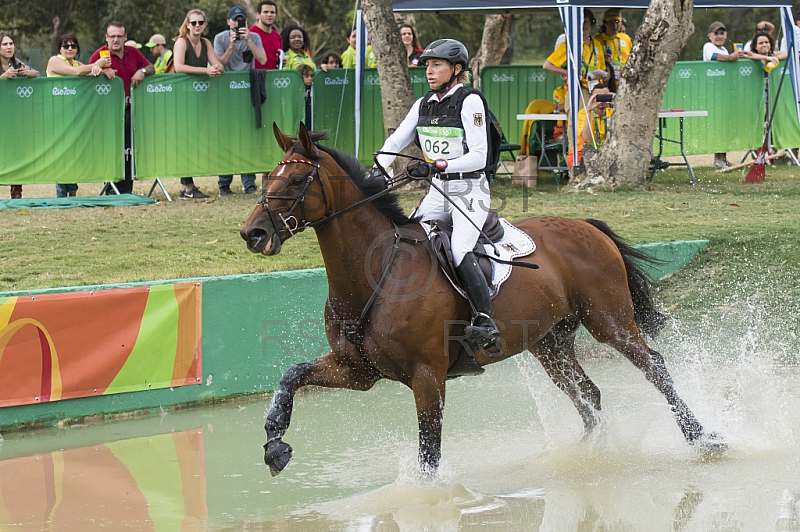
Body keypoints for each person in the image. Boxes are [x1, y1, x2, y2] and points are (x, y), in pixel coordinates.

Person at [374, 39, 500, 358]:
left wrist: (438, 164)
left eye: (437, 65)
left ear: (456, 70)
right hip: (438, 191)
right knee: (408, 238)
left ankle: (485, 321)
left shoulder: (470, 101)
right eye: (427, 65)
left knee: (459, 247)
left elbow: (480, 157)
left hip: (470, 189)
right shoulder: (423, 104)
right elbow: (395, 140)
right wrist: (379, 166)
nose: (429, 71)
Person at [91, 22, 155, 194]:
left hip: (130, 109)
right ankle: (111, 188)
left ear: (125, 37)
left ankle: (126, 190)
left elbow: (151, 67)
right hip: (108, 112)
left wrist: (142, 70)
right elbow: (89, 73)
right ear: (106, 38)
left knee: (128, 150)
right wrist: (102, 71)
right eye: (112, 36)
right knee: (111, 149)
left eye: (119, 36)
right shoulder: (100, 54)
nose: (116, 39)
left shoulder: (133, 52)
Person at [47, 34, 111, 198]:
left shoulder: (77, 63)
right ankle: (61, 194)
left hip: (75, 115)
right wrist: (96, 65)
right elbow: (75, 73)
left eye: (73, 46)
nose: (70, 49)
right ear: (59, 48)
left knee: (73, 152)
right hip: (58, 114)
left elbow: (87, 72)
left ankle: (73, 191)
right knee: (61, 153)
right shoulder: (54, 60)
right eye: (66, 46)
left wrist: (102, 71)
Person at [214, 6, 266, 196]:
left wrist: (248, 40)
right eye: (234, 20)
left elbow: (262, 58)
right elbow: (220, 63)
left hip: (247, 93)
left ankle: (249, 183)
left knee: (247, 138)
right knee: (226, 138)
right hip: (226, 95)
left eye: (241, 20)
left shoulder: (254, 37)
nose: (237, 23)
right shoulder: (220, 38)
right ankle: (224, 184)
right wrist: (232, 44)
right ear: (228, 21)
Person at [173, 9, 224, 199]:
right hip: (182, 99)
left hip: (200, 100)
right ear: (187, 24)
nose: (197, 26)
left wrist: (217, 67)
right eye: (193, 23)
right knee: (185, 140)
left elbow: (216, 64)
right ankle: (186, 187)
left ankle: (189, 185)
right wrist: (206, 70)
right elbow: (179, 67)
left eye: (200, 22)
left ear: (205, 24)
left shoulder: (206, 42)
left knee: (194, 139)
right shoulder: (181, 42)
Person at [544, 8, 608, 112]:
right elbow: (547, 65)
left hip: (596, 90)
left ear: (592, 24)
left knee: (595, 125)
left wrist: (606, 75)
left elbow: (602, 69)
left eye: (585, 21)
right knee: (578, 125)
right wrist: (570, 73)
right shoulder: (570, 44)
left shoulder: (597, 44)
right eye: (580, 21)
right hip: (578, 90)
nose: (583, 25)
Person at [0, 32, 39, 199]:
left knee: (15, 153)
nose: (9, 47)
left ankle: (16, 193)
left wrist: (27, 73)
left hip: (14, 118)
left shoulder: (16, 63)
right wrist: (3, 77)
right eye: (5, 44)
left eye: (11, 44)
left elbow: (36, 73)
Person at [702, 21, 739, 168]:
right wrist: (732, 57)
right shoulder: (708, 46)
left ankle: (723, 158)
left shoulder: (724, 49)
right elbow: (714, 57)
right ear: (709, 35)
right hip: (713, 92)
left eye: (722, 33)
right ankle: (717, 159)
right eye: (716, 33)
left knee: (725, 124)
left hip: (724, 92)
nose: (719, 36)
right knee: (717, 124)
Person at [566, 84, 614, 165]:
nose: (602, 101)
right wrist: (589, 111)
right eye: (598, 97)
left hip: (608, 151)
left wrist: (617, 105)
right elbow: (586, 139)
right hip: (583, 151)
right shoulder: (584, 113)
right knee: (580, 164)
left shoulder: (613, 112)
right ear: (592, 97)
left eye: (605, 96)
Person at [595, 9, 632, 86]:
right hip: (605, 82)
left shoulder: (626, 38)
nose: (614, 26)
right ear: (605, 23)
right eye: (611, 22)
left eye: (617, 22)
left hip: (624, 82)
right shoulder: (596, 40)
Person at [250, 0, 282, 69]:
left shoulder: (277, 37)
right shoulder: (250, 34)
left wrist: (282, 62)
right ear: (258, 14)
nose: (269, 15)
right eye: (266, 12)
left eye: (272, 12)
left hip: (275, 78)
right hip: (255, 77)